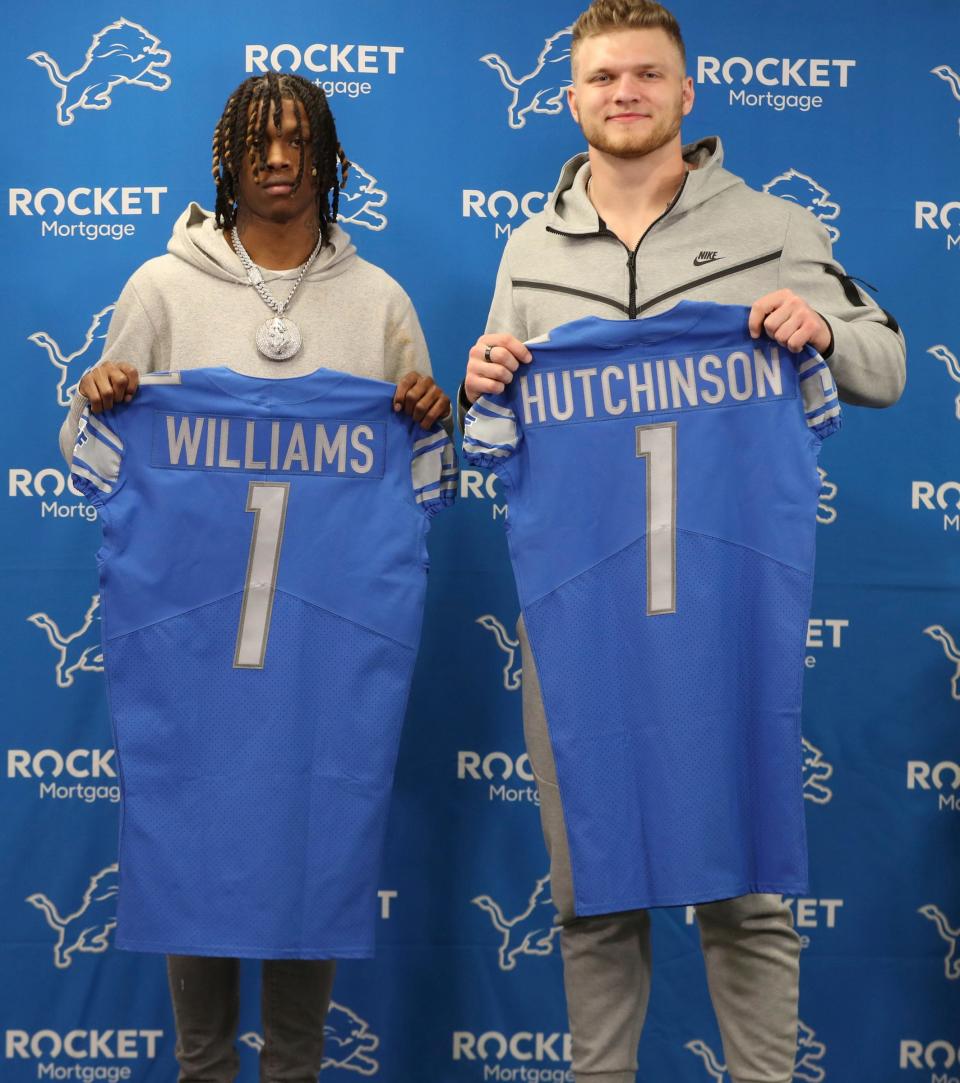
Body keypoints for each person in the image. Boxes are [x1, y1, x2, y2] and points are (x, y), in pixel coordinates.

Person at [461, 4, 904, 1083]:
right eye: (604, 76)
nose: (625, 92)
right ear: (570, 98)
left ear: (686, 91)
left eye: (647, 74)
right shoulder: (529, 246)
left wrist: (820, 328)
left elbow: (884, 365)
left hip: (722, 608)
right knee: (592, 889)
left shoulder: (773, 226)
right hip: (582, 615)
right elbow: (492, 428)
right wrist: (484, 383)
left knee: (745, 887)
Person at [60, 72, 450, 1083]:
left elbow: (428, 479)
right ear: (227, 159)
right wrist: (102, 398)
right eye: (257, 143)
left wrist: (423, 412)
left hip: (320, 646)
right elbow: (91, 453)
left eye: (297, 142)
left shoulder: (381, 302)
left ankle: (293, 1070)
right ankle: (202, 1070)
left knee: (311, 845)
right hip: (194, 642)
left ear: (330, 158)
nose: (277, 160)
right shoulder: (161, 287)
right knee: (194, 838)